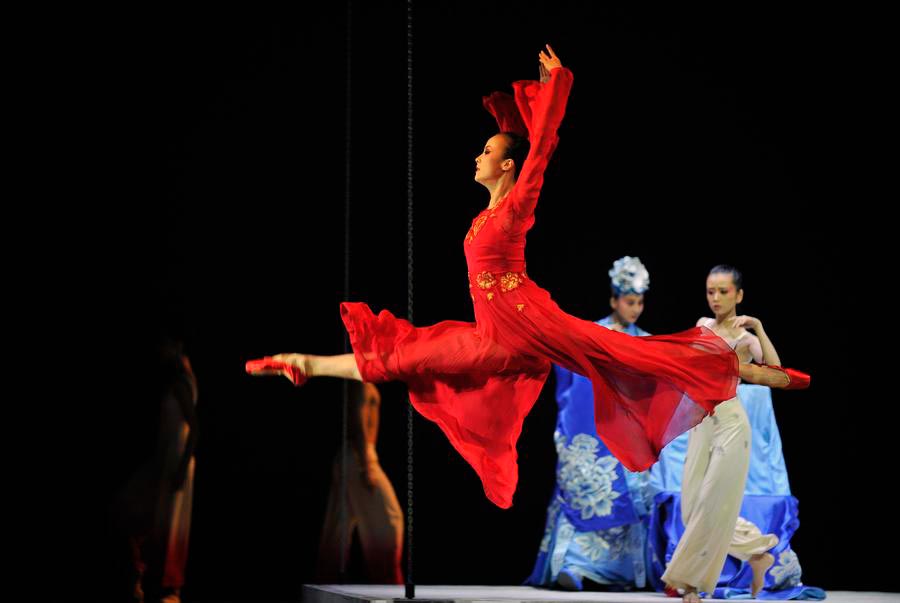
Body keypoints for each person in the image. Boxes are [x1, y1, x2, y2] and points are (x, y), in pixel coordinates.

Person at [247, 46, 803, 510]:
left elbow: (536, 158)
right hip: (495, 336)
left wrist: (555, 87)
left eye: (488, 151)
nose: (478, 156)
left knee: (623, 354)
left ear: (507, 167)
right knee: (409, 356)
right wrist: (523, 114)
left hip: (528, 319)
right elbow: (520, 148)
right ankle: (305, 364)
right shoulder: (485, 213)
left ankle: (746, 370)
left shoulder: (514, 209)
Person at [659, 266, 814, 603]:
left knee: (714, 503)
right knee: (691, 509)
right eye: (711, 291)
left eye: (724, 291)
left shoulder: (746, 338)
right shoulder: (702, 326)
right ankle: (758, 553)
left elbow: (776, 372)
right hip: (700, 424)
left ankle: (692, 584)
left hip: (731, 426)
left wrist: (758, 327)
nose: (716, 298)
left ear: (739, 295)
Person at [526, 256, 653, 591]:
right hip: (594, 434)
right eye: (629, 302)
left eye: (639, 302)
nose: (635, 309)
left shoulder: (648, 342)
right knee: (586, 492)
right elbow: (572, 382)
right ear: (614, 300)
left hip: (632, 437)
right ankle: (573, 567)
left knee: (633, 498)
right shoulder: (591, 336)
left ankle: (627, 572)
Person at [316, 382, 404, 584]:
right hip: (359, 456)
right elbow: (359, 419)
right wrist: (366, 464)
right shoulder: (364, 385)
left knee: (339, 526)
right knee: (391, 520)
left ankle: (326, 583)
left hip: (349, 457)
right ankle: (388, 584)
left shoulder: (361, 385)